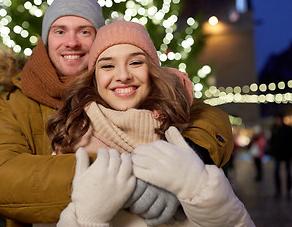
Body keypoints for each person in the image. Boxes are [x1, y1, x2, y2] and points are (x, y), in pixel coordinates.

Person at [0, 0, 233, 227]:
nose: (72, 42)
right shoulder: (15, 101)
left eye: (85, 31)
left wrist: (187, 157)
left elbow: (210, 119)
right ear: (46, 39)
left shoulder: (124, 84)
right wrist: (124, 180)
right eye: (60, 31)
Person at [49, 20, 254, 227]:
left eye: (136, 62)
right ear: (94, 79)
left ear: (153, 71)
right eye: (108, 65)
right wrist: (87, 219)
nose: (123, 76)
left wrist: (197, 190)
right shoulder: (70, 138)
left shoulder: (182, 135)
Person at [269, 114, 292, 198]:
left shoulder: (287, 129)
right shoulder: (275, 128)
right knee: (277, 171)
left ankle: (288, 189)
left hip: (286, 153)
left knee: (288, 172)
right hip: (278, 154)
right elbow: (272, 141)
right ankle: (278, 190)